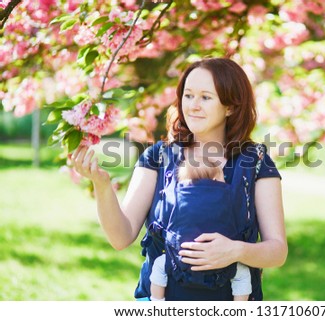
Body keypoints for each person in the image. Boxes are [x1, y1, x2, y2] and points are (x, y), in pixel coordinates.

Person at [71, 57, 288, 301]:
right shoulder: (157, 157)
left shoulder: (255, 162)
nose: (193, 105)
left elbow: (277, 251)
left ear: (230, 107)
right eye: (188, 95)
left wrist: (236, 251)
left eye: (206, 97)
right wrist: (101, 185)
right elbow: (121, 237)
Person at [149, 155, 251, 301]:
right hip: (222, 263)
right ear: (216, 180)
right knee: (242, 274)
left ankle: (156, 300)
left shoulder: (179, 196)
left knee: (159, 265)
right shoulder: (227, 198)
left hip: (181, 260)